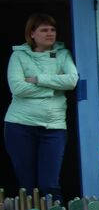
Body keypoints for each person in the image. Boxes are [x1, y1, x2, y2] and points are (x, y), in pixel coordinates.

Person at [5, 13, 76, 198]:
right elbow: (18, 88)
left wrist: (38, 79)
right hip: (19, 125)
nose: (50, 33)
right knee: (26, 184)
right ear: (32, 33)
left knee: (49, 184)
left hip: (54, 127)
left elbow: (71, 80)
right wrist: (53, 88)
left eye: (52, 29)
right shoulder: (18, 56)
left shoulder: (63, 54)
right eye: (44, 30)